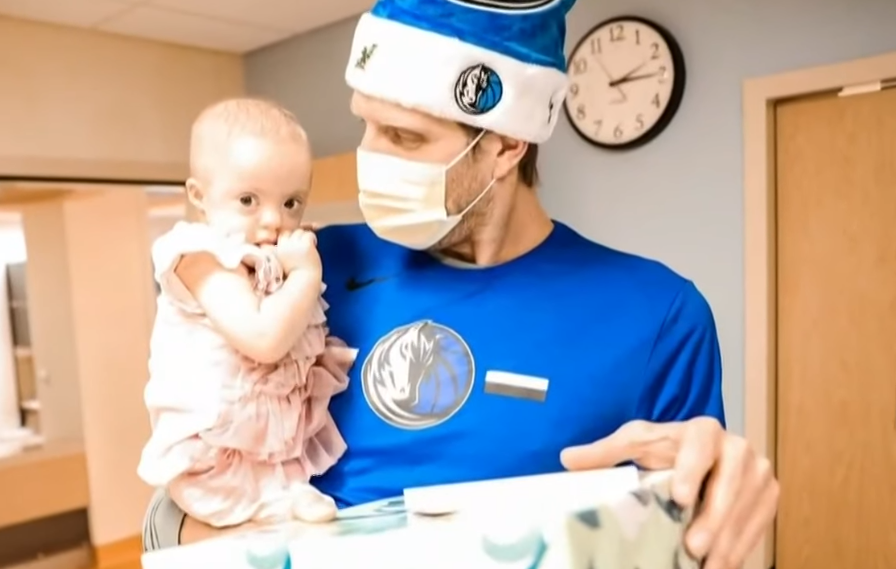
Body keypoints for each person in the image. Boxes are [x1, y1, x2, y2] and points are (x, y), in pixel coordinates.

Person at [144, 1, 779, 568]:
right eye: (366, 124)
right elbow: (184, 483)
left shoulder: (656, 316)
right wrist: (216, 537)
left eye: (404, 137)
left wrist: (720, 494)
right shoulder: (308, 271)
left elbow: (686, 538)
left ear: (504, 147)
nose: (371, 157)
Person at [137, 99, 355, 528]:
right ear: (200, 196)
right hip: (210, 445)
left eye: (292, 202)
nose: (274, 220)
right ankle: (279, 507)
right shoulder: (199, 257)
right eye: (248, 199)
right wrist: (305, 277)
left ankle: (284, 502)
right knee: (238, 509)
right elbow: (264, 339)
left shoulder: (269, 255)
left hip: (263, 442)